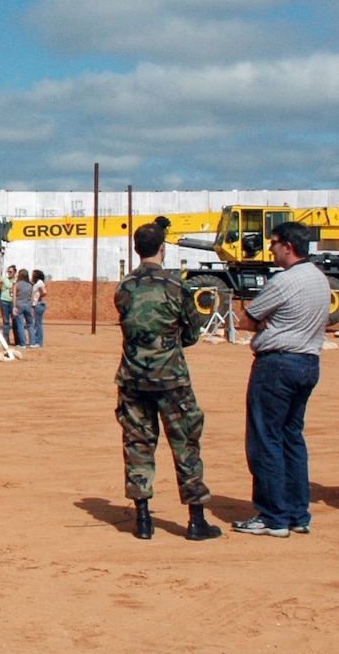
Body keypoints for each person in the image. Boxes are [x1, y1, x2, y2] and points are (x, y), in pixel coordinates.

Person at [114, 220, 221, 541]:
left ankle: (143, 519)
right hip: (171, 379)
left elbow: (128, 327)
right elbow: (191, 333)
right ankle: (195, 519)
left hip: (133, 379)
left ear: (136, 249)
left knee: (137, 445)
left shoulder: (124, 287)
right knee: (185, 444)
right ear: (163, 248)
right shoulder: (177, 287)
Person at [232, 221, 330, 537]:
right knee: (292, 438)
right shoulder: (320, 279)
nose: (270, 248)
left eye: (273, 243)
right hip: (308, 362)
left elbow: (246, 320)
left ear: (288, 246)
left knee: (265, 439)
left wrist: (266, 327)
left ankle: (273, 515)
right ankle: (297, 513)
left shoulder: (284, 281)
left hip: (278, 364)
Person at [14, 269, 35, 347]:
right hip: (28, 305)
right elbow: (32, 297)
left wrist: (14, 306)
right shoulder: (30, 285)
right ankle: (32, 342)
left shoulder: (17, 284)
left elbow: (15, 297)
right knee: (30, 324)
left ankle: (23, 343)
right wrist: (32, 306)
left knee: (20, 325)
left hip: (19, 305)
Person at [31, 270, 48, 347]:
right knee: (37, 324)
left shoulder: (40, 283)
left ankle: (38, 342)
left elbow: (44, 292)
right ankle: (37, 341)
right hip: (37, 305)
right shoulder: (37, 283)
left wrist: (39, 298)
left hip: (39, 304)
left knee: (38, 324)